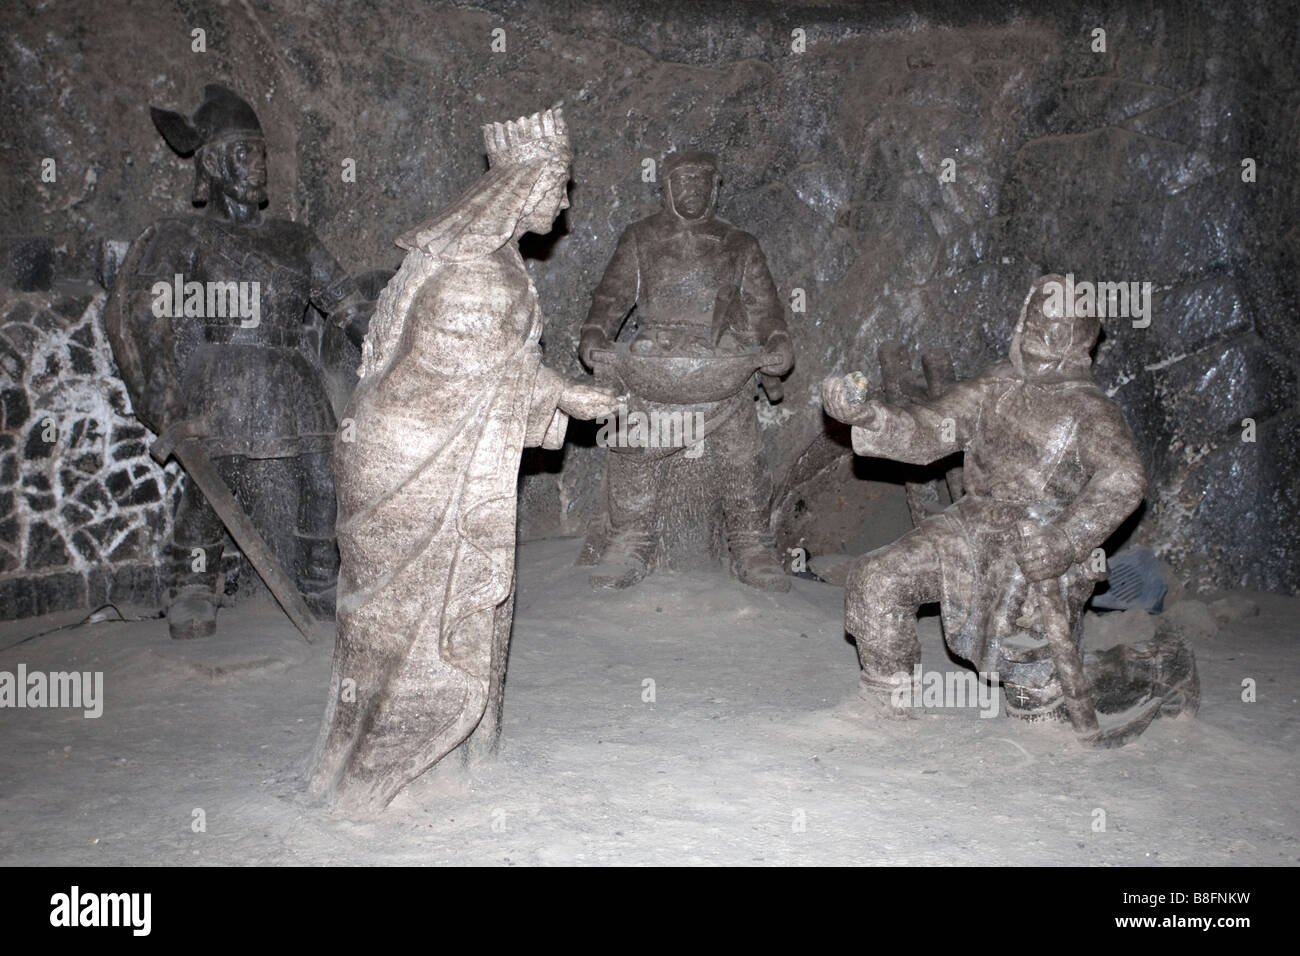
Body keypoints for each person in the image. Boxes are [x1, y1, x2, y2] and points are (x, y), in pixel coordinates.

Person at [308, 109, 619, 813]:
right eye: (560, 187)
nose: (566, 203)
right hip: (419, 458)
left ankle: (416, 761)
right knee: (415, 620)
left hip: (413, 444)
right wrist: (566, 395)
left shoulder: (478, 256)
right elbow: (477, 378)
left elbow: (489, 370)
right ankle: (378, 778)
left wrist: (561, 394)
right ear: (529, 182)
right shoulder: (477, 275)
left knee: (400, 615)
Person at [821, 275, 1197, 725]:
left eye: (1058, 323)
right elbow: (928, 428)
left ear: (1080, 336)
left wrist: (1065, 540)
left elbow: (1124, 479)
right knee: (876, 578)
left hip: (1036, 549)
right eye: (1037, 316)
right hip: (970, 527)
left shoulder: (1090, 410)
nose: (1042, 329)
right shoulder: (996, 384)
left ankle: (1156, 667)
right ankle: (884, 703)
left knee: (1037, 703)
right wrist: (869, 415)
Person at [106, 84, 370, 639]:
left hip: (291, 375)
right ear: (214, 163)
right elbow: (153, 314)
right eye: (246, 154)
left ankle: (320, 577)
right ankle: (192, 585)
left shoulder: (295, 239)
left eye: (263, 153)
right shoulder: (189, 235)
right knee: (209, 486)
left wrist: (388, 336)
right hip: (222, 374)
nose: (260, 166)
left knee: (325, 478)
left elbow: (346, 306)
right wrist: (160, 384)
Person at [577, 151, 794, 591]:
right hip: (654, 354)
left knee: (740, 453)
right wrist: (596, 333)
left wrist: (776, 343)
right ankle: (629, 538)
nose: (692, 189)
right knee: (632, 441)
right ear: (667, 187)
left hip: (720, 359)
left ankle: (751, 543)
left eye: (701, 181)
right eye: (683, 180)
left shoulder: (740, 243)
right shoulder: (641, 237)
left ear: (715, 187)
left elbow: (765, 308)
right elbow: (611, 298)